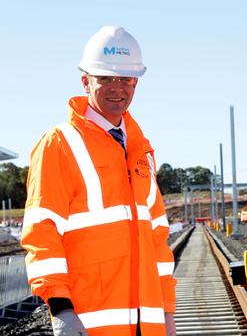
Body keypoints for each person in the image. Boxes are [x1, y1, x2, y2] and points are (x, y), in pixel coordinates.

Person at [21, 26, 176, 336]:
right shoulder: (59, 144)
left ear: (136, 83)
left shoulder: (140, 153)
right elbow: (42, 233)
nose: (116, 88)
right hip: (87, 324)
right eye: (105, 78)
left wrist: (167, 314)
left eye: (126, 79)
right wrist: (61, 310)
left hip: (146, 326)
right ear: (85, 81)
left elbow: (158, 241)